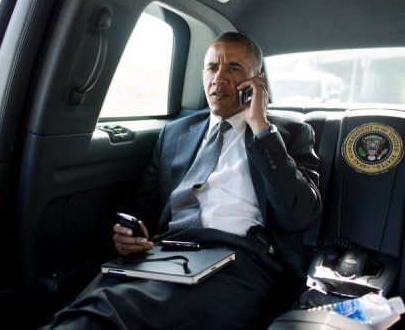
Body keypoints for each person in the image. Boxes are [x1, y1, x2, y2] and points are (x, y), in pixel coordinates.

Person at [42, 32, 321, 329]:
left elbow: (299, 215)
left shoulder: (288, 133)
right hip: (164, 252)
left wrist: (261, 128)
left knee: (109, 315)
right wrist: (131, 235)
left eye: (234, 68)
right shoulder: (175, 132)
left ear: (258, 81)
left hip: (241, 260)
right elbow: (144, 208)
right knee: (86, 311)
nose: (219, 78)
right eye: (212, 68)